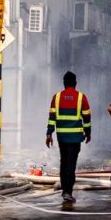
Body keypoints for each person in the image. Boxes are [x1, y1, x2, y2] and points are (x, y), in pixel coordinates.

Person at [46, 71, 91, 203]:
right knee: (71, 163)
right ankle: (68, 192)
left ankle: (65, 190)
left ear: (64, 83)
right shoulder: (81, 97)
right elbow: (87, 118)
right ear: (75, 83)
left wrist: (49, 134)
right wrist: (88, 133)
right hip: (75, 137)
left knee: (63, 162)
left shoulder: (57, 97)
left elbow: (51, 118)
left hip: (62, 137)